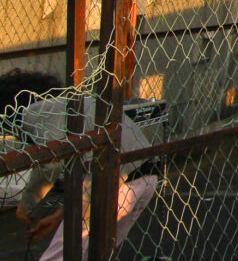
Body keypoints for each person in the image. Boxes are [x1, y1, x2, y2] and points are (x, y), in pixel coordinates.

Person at [0, 69, 159, 261]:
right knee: (97, 253)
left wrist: (27, 205)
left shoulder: (37, 112)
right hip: (145, 175)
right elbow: (88, 180)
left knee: (59, 257)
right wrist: (59, 216)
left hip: (119, 181)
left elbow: (50, 163)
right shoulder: (72, 104)